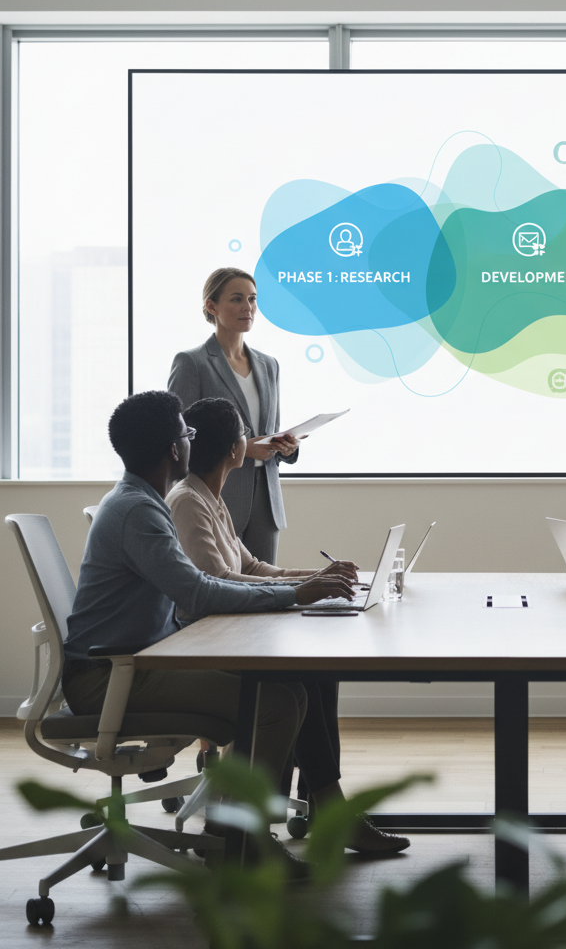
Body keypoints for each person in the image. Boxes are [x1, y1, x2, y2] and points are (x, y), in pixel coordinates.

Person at [61, 391, 354, 876]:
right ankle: (243, 838)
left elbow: (225, 575)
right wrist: (296, 594)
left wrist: (302, 587)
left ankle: (233, 829)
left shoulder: (140, 500)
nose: (192, 442)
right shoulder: (140, 511)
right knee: (277, 703)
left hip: (136, 660)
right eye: (187, 434)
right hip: (111, 675)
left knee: (290, 692)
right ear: (176, 450)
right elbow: (199, 591)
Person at [166, 397, 410, 855]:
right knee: (298, 675)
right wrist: (301, 590)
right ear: (237, 449)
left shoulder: (208, 497)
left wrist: (313, 577)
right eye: (244, 435)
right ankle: (318, 811)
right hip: (209, 643)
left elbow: (253, 567)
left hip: (229, 633)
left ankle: (325, 807)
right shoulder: (188, 501)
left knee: (318, 671)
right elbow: (214, 582)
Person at [168, 268, 296, 566]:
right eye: (237, 299)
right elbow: (178, 435)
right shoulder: (192, 362)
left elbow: (270, 429)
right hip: (216, 492)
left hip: (266, 496)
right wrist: (241, 448)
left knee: (266, 591)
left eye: (252, 299)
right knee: (218, 587)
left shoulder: (269, 365)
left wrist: (287, 447)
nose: (247, 307)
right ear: (211, 306)